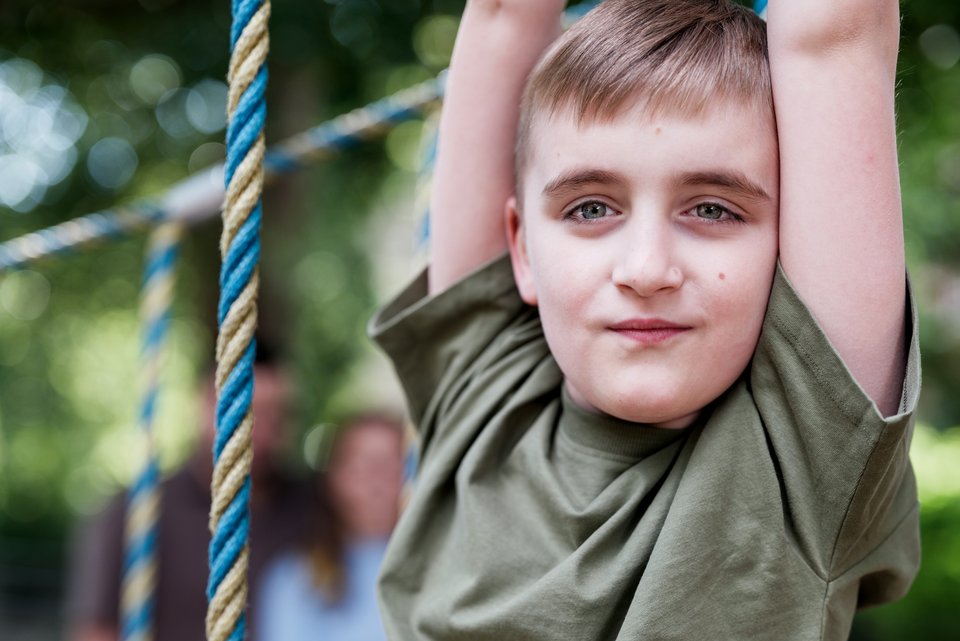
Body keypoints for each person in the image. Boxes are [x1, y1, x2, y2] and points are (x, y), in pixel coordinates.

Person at [368, 1, 920, 639]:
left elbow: (833, 34)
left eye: (712, 210)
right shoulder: (484, 388)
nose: (646, 268)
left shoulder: (805, 456)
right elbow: (503, 17)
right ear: (520, 250)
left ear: (790, 243)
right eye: (591, 208)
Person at [66, 351, 321, 641]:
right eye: (247, 412)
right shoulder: (138, 510)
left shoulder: (312, 508)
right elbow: (96, 631)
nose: (260, 430)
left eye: (277, 414)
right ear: (204, 407)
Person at [255, 412, 405, 641]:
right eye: (362, 467)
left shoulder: (442, 568)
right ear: (333, 478)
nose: (376, 482)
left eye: (391, 466)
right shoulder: (295, 577)